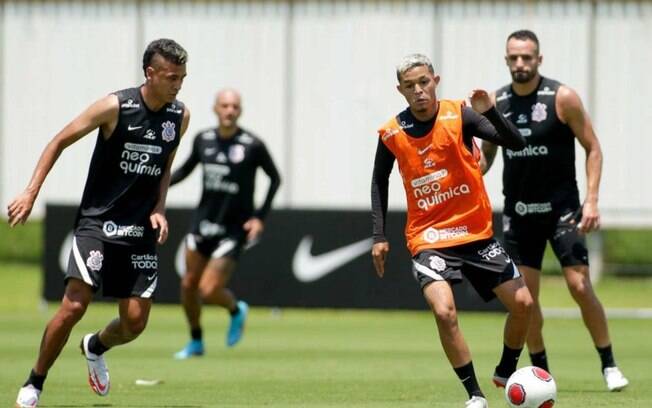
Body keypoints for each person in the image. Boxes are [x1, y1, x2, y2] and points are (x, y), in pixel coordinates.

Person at [8, 39, 190, 407]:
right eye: (172, 77)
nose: (178, 85)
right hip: (98, 223)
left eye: (183, 78)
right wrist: (30, 192)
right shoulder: (115, 107)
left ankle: (94, 345)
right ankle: (34, 383)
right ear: (150, 73)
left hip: (139, 232)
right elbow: (59, 140)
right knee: (75, 305)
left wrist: (159, 208)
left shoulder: (179, 116)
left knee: (135, 323)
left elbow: (165, 167)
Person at [371, 53, 533, 408]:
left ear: (436, 81)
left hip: (476, 234)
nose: (419, 91)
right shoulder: (392, 133)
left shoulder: (459, 114)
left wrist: (490, 110)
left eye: (424, 83)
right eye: (410, 86)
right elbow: (379, 181)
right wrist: (379, 235)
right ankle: (475, 394)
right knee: (444, 312)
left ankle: (506, 369)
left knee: (524, 304)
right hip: (430, 238)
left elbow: (516, 143)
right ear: (400, 90)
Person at [481, 29, 629, 391]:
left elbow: (593, 148)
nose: (520, 63)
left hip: (562, 211)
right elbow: (484, 159)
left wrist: (591, 200)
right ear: (506, 60)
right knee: (525, 301)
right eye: (514, 57)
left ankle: (609, 364)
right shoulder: (497, 103)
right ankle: (541, 371)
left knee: (579, 285)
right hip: (520, 214)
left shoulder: (562, 98)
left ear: (539, 59)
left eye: (527, 57)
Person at [171, 88, 281, 359]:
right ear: (215, 109)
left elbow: (275, 178)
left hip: (233, 230)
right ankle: (196, 341)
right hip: (203, 224)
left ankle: (235, 310)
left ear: (239, 111)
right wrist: (155, 187)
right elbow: (185, 170)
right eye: (224, 105)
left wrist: (259, 217)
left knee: (208, 290)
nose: (229, 110)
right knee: (188, 285)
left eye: (234, 106)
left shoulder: (252, 145)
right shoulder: (203, 139)